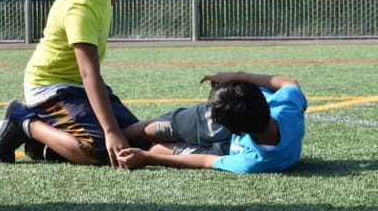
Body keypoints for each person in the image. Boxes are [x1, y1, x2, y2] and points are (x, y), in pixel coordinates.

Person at [0, 0, 153, 167]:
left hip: (74, 87)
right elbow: (89, 74)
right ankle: (24, 122)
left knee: (138, 141)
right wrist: (110, 132)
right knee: (100, 149)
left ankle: (48, 141)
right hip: (51, 89)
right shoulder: (77, 5)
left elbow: (104, 1)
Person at [116, 71, 308, 173]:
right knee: (152, 130)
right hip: (231, 119)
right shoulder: (287, 109)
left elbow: (207, 160)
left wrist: (148, 158)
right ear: (265, 102)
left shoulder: (253, 162)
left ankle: (126, 150)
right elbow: (288, 82)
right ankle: (110, 139)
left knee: (157, 149)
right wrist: (236, 76)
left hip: (227, 147)